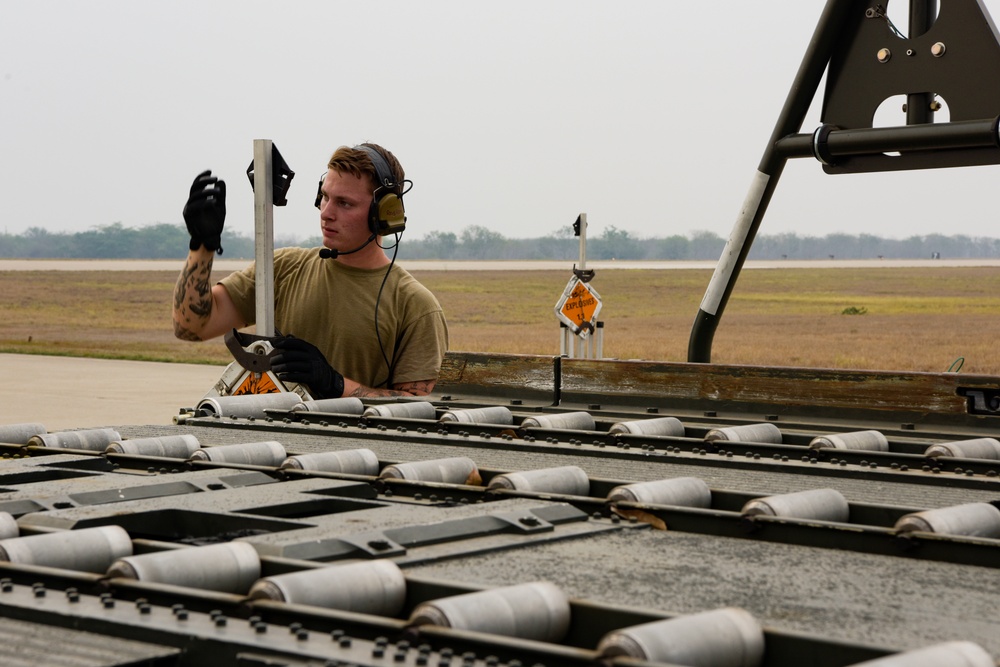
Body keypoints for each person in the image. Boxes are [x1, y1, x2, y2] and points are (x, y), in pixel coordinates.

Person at [172, 143, 448, 399]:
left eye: (344, 203)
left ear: (384, 213)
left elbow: (418, 408)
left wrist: (336, 384)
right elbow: (191, 327)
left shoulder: (415, 306)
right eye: (325, 197)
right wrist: (201, 247)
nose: (326, 212)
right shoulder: (282, 268)